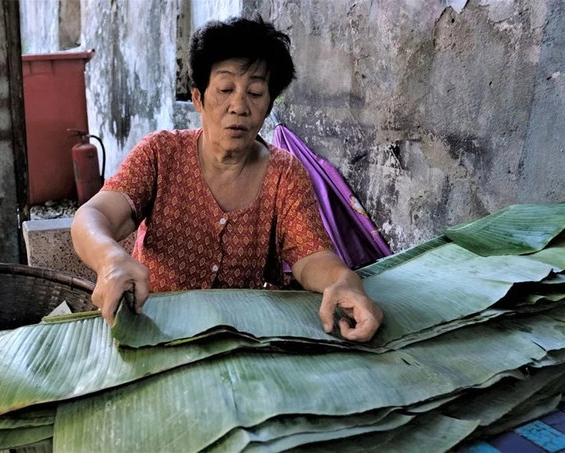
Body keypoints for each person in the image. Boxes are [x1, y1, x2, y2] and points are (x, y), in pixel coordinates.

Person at [71, 16, 383, 342]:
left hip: (244, 339)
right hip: (157, 329)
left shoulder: (285, 174)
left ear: (268, 105)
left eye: (256, 92)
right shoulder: (159, 154)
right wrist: (111, 260)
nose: (239, 106)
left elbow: (311, 256)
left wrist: (343, 281)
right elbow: (93, 217)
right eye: (224, 89)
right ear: (198, 98)